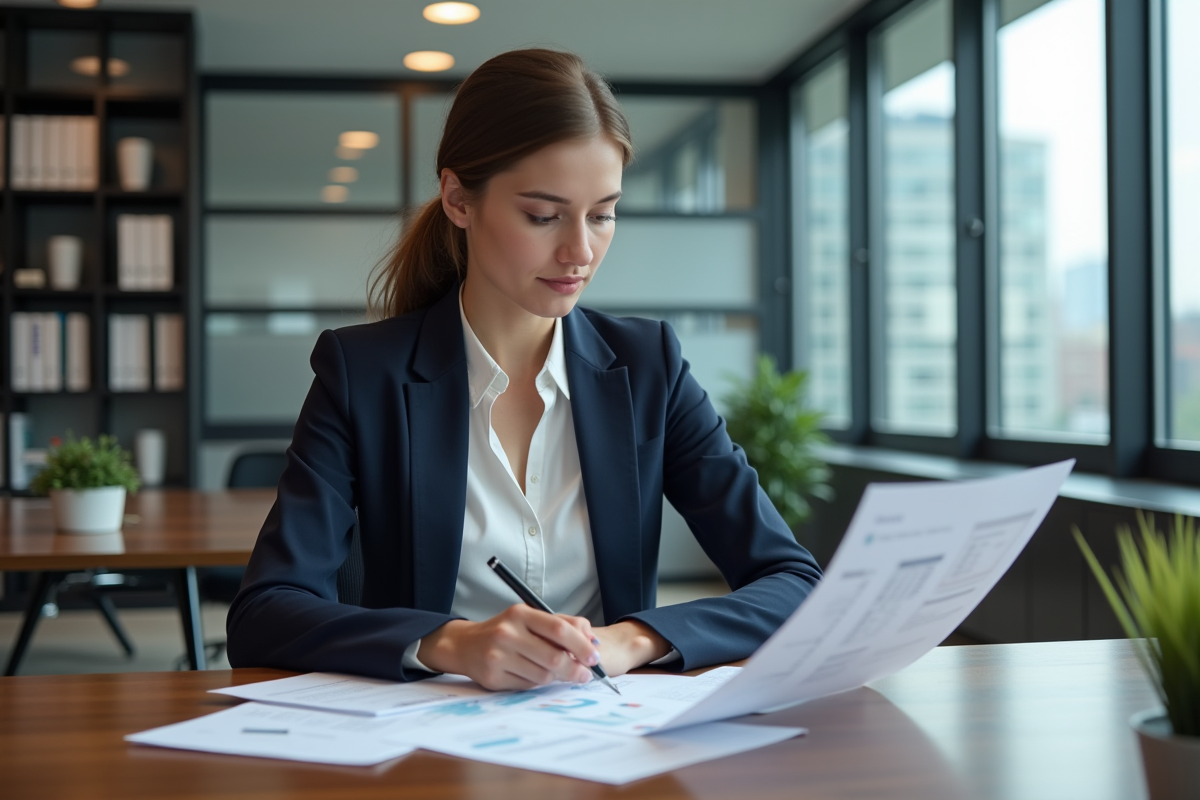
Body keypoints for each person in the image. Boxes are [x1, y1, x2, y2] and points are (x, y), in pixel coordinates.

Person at [226, 48, 822, 690]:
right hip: (426, 729)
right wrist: (451, 643)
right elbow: (264, 614)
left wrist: (631, 639)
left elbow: (793, 581)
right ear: (458, 199)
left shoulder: (650, 367)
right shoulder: (362, 374)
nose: (580, 251)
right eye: (543, 216)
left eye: (603, 214)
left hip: (606, 726)